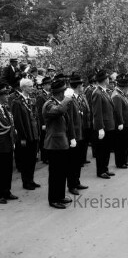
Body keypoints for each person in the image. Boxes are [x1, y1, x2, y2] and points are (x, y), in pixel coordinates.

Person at [42, 79, 72, 209]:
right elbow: (58, 111)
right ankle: (53, 199)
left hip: (62, 143)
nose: (66, 93)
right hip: (54, 144)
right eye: (64, 91)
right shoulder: (49, 104)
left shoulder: (59, 103)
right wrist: (67, 99)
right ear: (59, 93)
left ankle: (60, 196)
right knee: (55, 174)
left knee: (62, 171)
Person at [11, 78, 40, 190]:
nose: (32, 88)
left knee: (32, 159)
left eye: (32, 86)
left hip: (34, 134)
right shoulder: (17, 102)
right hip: (25, 135)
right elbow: (18, 122)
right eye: (30, 86)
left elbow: (36, 117)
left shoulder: (31, 100)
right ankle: (26, 182)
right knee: (25, 159)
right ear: (23, 88)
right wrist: (22, 137)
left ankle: (31, 180)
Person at [65, 73, 88, 195]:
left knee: (78, 160)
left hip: (81, 132)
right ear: (78, 86)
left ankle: (77, 181)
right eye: (82, 85)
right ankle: (71, 185)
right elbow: (70, 120)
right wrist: (72, 136)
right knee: (72, 161)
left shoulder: (79, 97)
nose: (83, 87)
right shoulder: (69, 99)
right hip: (74, 134)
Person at [91, 69, 116, 179]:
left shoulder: (104, 91)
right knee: (101, 150)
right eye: (107, 78)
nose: (108, 80)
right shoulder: (97, 93)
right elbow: (97, 112)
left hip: (109, 125)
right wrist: (100, 128)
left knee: (106, 149)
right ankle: (100, 171)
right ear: (103, 80)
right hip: (104, 126)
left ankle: (105, 168)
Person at [112, 73, 128, 169]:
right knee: (121, 145)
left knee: (125, 144)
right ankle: (120, 162)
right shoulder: (117, 96)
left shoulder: (122, 94)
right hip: (123, 125)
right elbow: (118, 111)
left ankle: (124, 161)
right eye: (127, 87)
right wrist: (121, 122)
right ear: (123, 87)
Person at [0, 81, 18, 204]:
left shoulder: (5, 108)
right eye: (5, 94)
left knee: (7, 168)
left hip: (7, 142)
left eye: (7, 94)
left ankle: (7, 191)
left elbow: (10, 124)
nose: (7, 96)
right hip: (1, 144)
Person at [36, 77, 52, 163]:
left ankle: (48, 156)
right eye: (48, 84)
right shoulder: (40, 96)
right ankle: (44, 157)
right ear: (44, 85)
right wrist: (42, 123)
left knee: (48, 138)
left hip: (49, 120)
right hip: (44, 121)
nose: (50, 86)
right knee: (43, 139)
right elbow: (39, 111)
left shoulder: (49, 95)